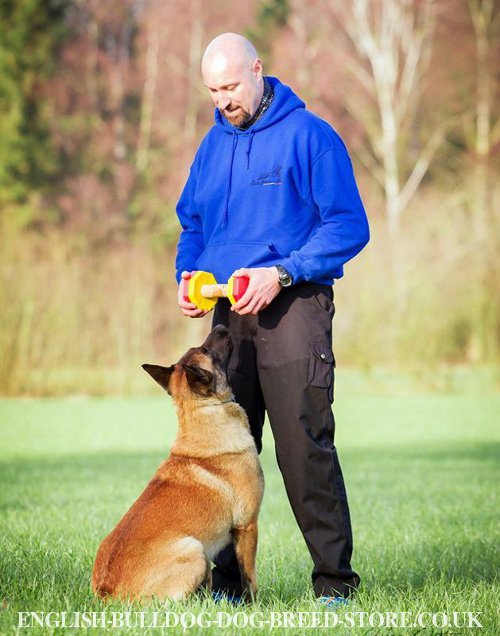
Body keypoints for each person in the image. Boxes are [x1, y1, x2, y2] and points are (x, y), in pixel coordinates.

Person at [175, 32, 369, 602]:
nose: (222, 101)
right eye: (212, 91)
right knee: (227, 450)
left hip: (294, 309)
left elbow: (348, 225)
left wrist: (283, 272)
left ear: (258, 70)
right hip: (226, 317)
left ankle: (334, 584)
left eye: (231, 86)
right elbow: (192, 226)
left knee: (303, 446)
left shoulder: (311, 137)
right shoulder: (211, 147)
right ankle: (229, 588)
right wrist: (187, 277)